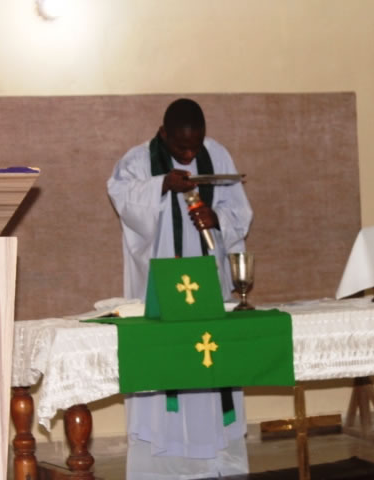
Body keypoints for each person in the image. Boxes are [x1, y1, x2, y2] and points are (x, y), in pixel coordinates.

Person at [107, 98, 253, 480]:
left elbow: (240, 212)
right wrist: (161, 185)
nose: (189, 154)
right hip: (160, 284)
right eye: (180, 146)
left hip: (209, 282)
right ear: (163, 133)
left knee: (210, 364)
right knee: (165, 368)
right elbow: (123, 200)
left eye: (195, 145)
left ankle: (216, 461)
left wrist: (216, 217)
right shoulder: (138, 161)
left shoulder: (217, 155)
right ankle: (160, 466)